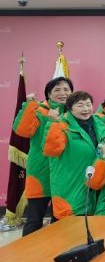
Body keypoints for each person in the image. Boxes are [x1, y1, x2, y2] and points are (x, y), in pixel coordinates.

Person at [13, 77, 73, 235]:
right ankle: (29, 250)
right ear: (48, 94)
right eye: (57, 90)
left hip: (64, 174)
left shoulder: (74, 114)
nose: (62, 93)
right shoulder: (39, 111)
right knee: (34, 220)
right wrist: (29, 106)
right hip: (41, 173)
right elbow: (22, 131)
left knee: (59, 219)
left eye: (66, 89)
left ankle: (55, 248)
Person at [43, 91, 105, 219]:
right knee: (68, 229)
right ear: (70, 108)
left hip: (95, 188)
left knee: (90, 227)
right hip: (70, 190)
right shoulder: (61, 125)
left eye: (88, 104)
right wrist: (54, 124)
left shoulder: (99, 125)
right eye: (80, 105)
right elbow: (51, 150)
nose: (85, 109)